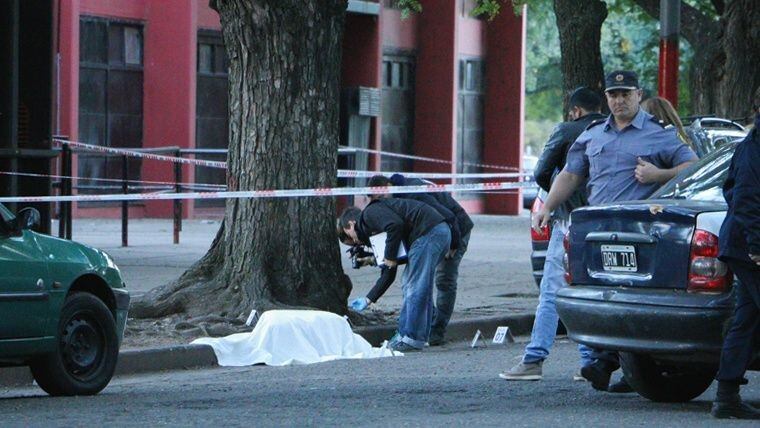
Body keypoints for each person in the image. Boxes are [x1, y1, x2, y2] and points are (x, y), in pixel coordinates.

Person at [533, 70, 698, 392]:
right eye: (613, 95)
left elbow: (693, 166)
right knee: (603, 296)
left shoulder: (658, 134)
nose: (619, 101)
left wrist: (658, 174)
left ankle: (606, 361)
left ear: (638, 95)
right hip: (600, 231)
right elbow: (570, 174)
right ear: (606, 97)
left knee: (629, 297)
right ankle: (607, 360)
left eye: (625, 94)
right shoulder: (594, 134)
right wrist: (547, 207)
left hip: (640, 232)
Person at [500, 87, 605, 382]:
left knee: (552, 290)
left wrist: (557, 200)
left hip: (570, 220)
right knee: (588, 291)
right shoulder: (610, 132)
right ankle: (590, 361)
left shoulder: (567, 130)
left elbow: (542, 171)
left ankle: (534, 358)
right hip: (605, 220)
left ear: (575, 111)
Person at [338, 196, 451, 352]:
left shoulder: (369, 214)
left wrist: (389, 257)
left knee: (412, 285)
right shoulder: (377, 228)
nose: (356, 242)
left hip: (429, 232)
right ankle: (418, 337)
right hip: (437, 232)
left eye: (351, 237)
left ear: (350, 224)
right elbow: (388, 273)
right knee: (417, 285)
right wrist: (368, 298)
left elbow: (395, 226)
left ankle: (408, 337)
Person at [710, 103, 760, 420]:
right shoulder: (753, 148)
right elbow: (745, 197)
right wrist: (757, 244)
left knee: (747, 318)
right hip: (750, 244)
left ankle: (726, 396)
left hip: (746, 242)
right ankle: (726, 396)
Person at [388, 173, 475, 346]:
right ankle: (429, 324)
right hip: (435, 230)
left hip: (457, 229)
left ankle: (437, 331)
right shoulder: (397, 194)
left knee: (444, 280)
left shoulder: (414, 192)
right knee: (422, 279)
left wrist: (454, 244)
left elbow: (449, 215)